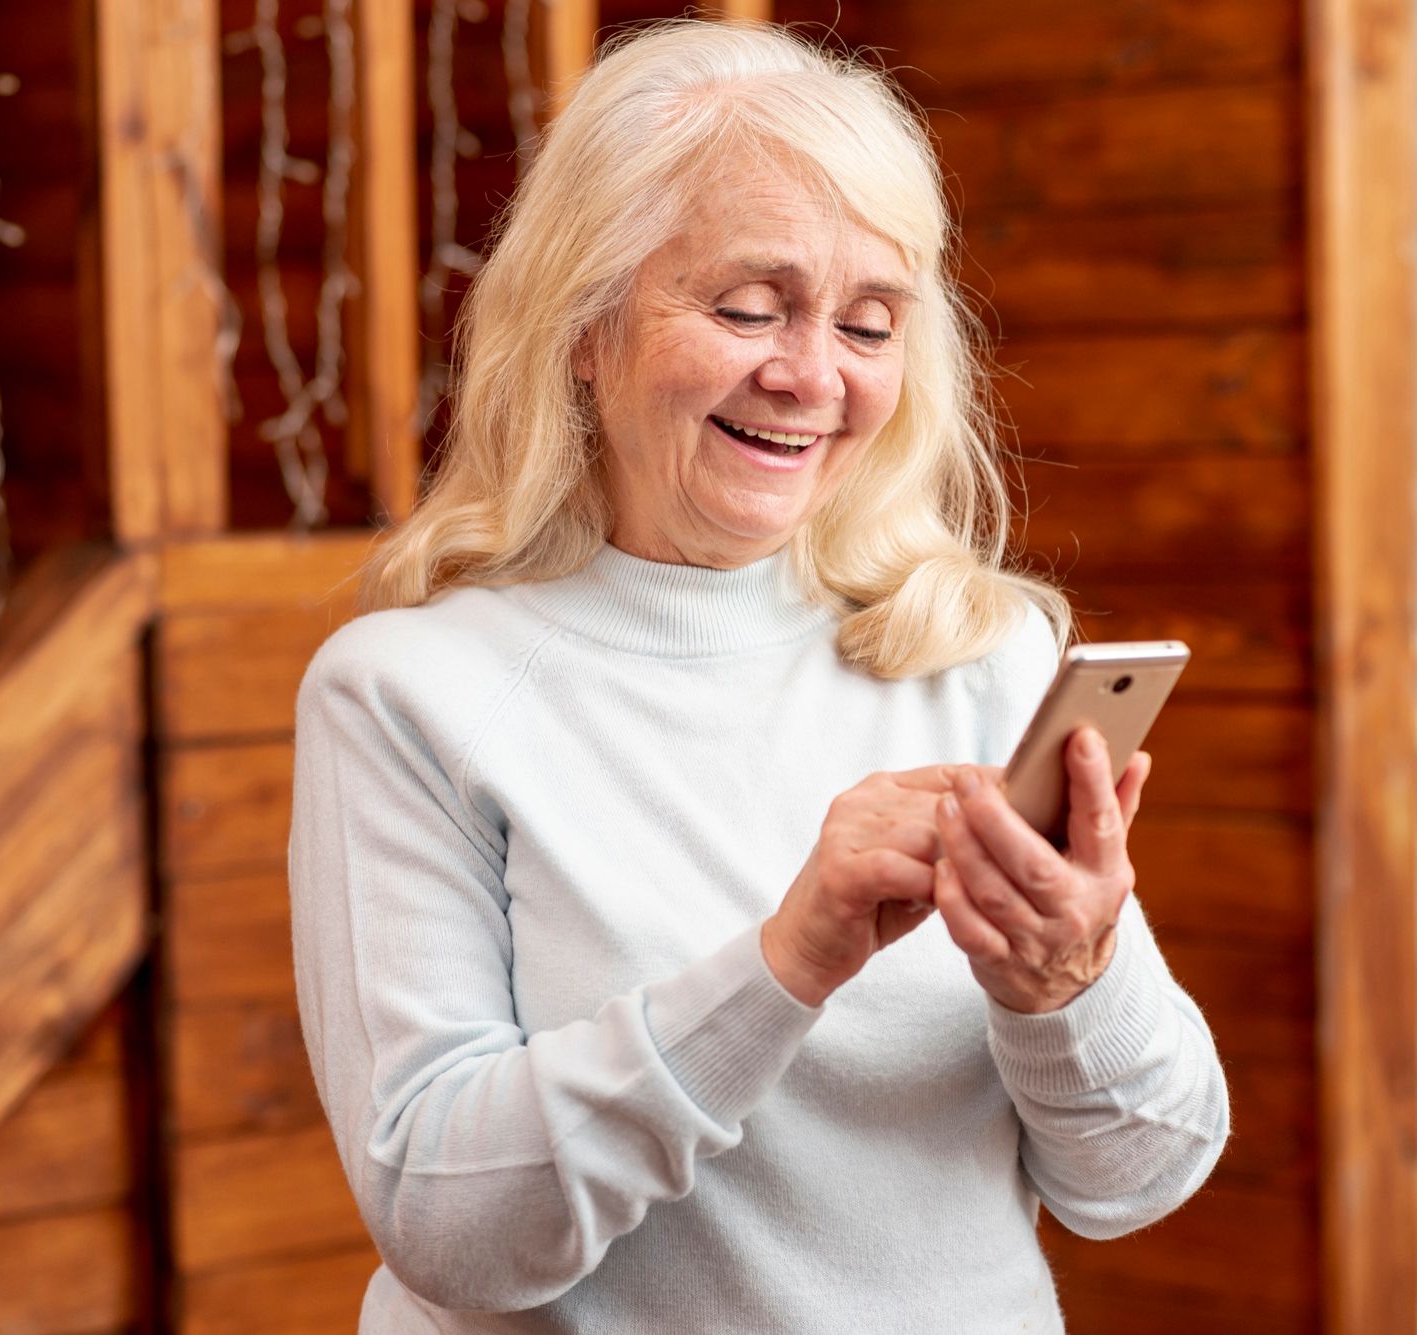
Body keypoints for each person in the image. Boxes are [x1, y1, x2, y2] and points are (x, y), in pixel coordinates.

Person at [289, 19, 1229, 1333]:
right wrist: (788, 961)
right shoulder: (408, 696)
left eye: (869, 322)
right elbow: (450, 1230)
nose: (812, 377)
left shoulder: (977, 653)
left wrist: (1068, 977)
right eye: (746, 307)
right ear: (585, 322)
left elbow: (1142, 1174)